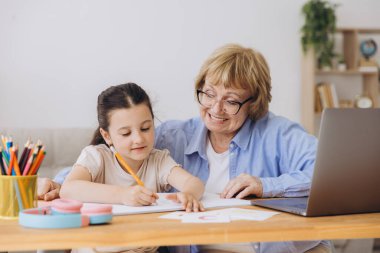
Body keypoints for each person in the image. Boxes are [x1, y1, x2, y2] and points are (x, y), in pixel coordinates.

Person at [39, 44, 332, 253]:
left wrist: (265, 185)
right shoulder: (171, 136)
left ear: (254, 102)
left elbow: (330, 171)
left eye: (231, 101)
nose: (215, 109)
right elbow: (106, 163)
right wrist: (58, 184)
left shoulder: (278, 133)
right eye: (208, 94)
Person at [61, 82, 205, 253]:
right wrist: (123, 195)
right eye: (126, 133)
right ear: (107, 136)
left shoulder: (158, 160)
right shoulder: (97, 157)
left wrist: (189, 194)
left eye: (145, 128)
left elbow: (194, 182)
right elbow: (68, 189)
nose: (138, 139)